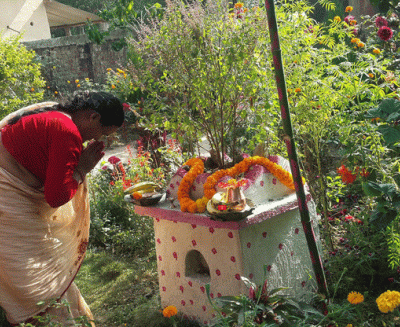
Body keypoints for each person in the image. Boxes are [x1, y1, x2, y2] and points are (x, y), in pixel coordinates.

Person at [0, 91, 124, 326]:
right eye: (103, 132)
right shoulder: (67, 131)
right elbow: (56, 196)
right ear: (93, 117)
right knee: (34, 272)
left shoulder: (55, 111)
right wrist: (82, 169)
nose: (99, 139)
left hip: (11, 192)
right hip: (7, 198)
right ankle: (51, 320)